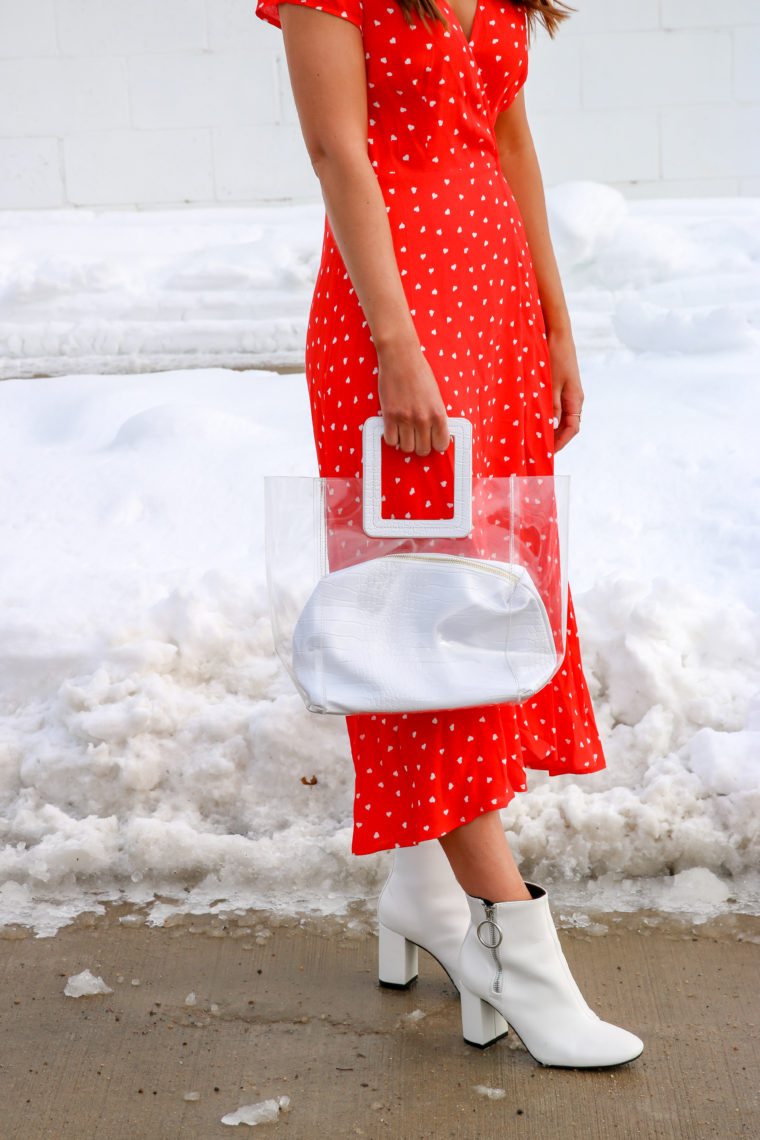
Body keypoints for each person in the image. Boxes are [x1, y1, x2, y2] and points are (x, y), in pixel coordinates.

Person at [256, 0, 643, 1067]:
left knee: (484, 597)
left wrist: (556, 318)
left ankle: (423, 891)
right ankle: (515, 949)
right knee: (425, 611)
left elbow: (510, 138)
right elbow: (338, 150)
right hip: (400, 318)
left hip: (498, 305)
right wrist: (394, 341)